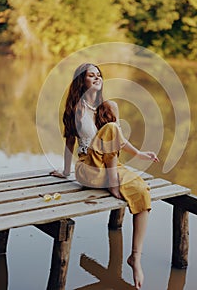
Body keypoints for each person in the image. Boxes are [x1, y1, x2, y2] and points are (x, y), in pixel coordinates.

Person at [50, 63, 159, 289]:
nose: (97, 78)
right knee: (110, 129)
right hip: (87, 169)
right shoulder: (75, 109)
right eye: (92, 75)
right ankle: (113, 183)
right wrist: (65, 171)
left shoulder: (108, 107)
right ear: (82, 81)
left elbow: (116, 138)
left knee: (141, 191)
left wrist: (139, 153)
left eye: (99, 75)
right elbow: (70, 142)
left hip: (109, 166)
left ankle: (135, 257)